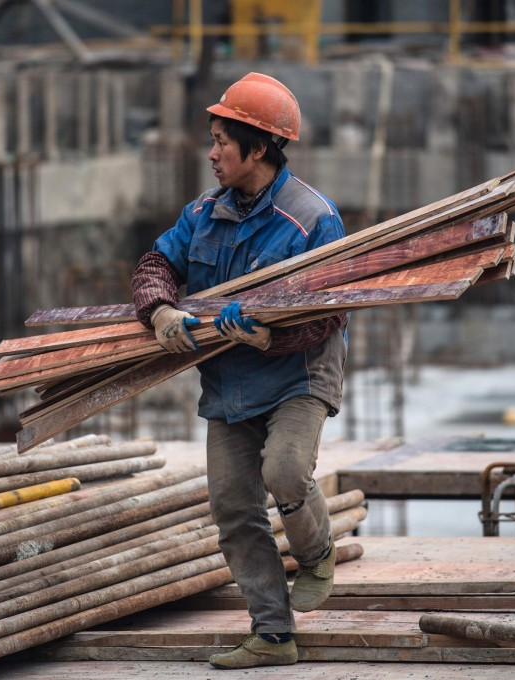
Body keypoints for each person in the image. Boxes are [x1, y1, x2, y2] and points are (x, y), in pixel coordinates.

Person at [131, 72, 348, 669]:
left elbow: (331, 313)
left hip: (299, 374)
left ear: (259, 147)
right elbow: (156, 262)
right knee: (232, 506)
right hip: (230, 383)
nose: (212, 152)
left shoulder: (312, 220)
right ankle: (273, 636)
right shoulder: (203, 213)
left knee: (284, 470)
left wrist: (273, 333)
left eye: (223, 140)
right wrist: (160, 310)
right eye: (212, 138)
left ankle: (319, 549)